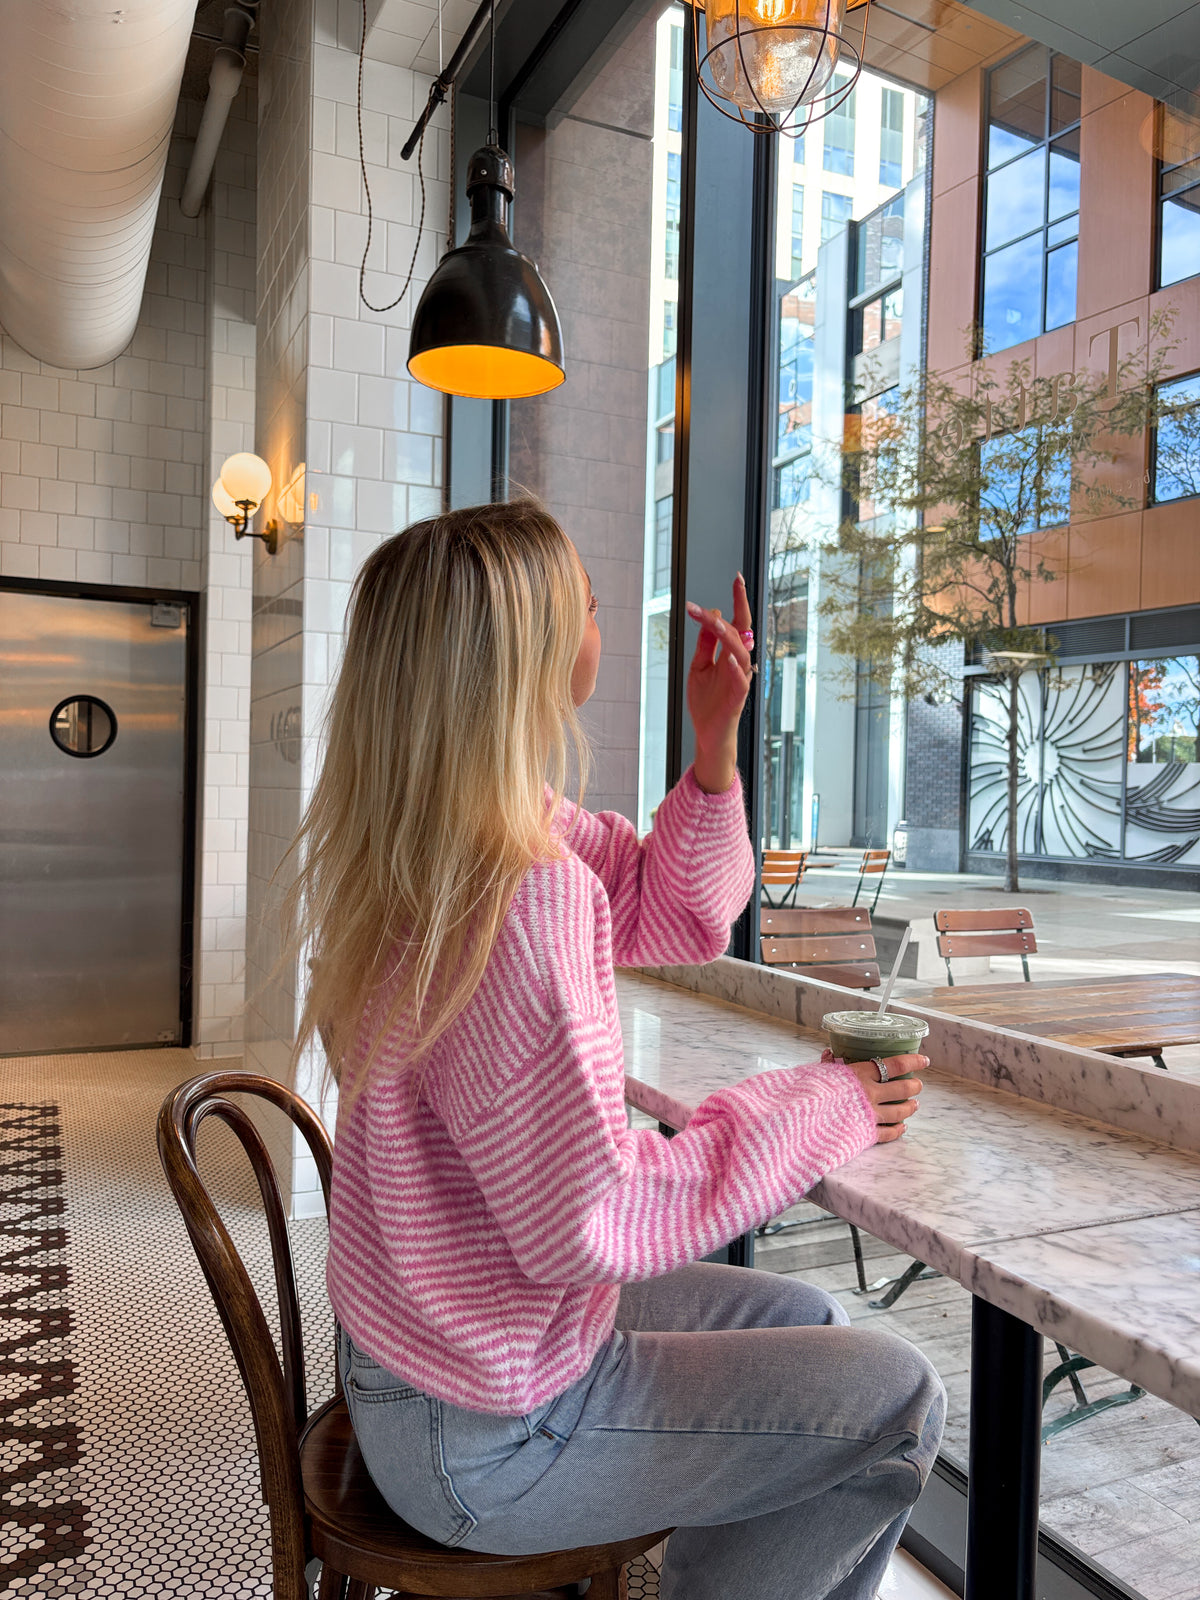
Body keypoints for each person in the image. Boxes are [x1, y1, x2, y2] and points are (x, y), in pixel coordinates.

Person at [288, 500, 945, 1600]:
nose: (604, 615)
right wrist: (833, 1103)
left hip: (431, 1363)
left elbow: (677, 912)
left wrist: (716, 746)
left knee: (812, 1316)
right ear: (527, 652)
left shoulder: (441, 842)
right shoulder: (521, 891)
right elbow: (596, 1220)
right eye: (585, 603)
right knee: (899, 1395)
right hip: (485, 1435)